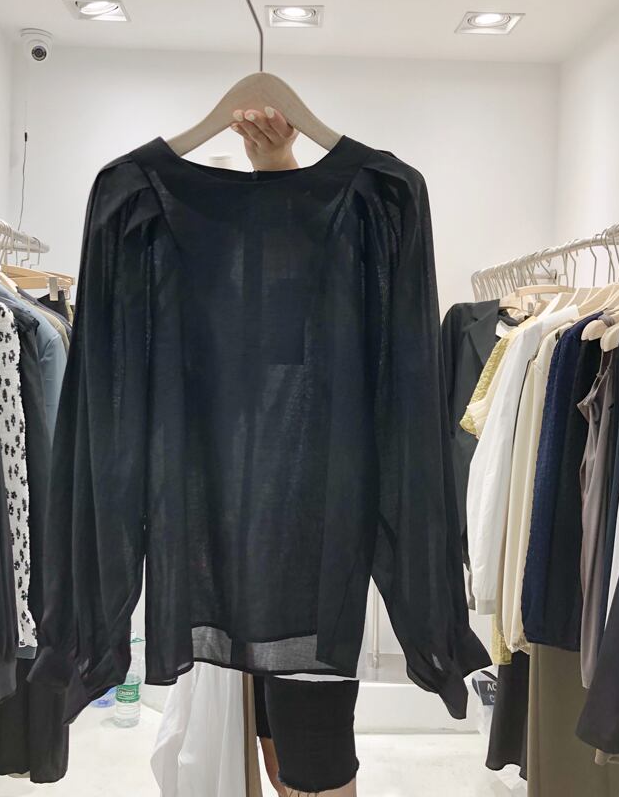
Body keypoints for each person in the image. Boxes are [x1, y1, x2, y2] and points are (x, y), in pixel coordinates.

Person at [233, 106, 360, 797]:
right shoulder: (242, 318)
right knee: (269, 734)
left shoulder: (334, 318)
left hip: (311, 563)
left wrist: (280, 172)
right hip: (244, 560)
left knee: (316, 748)